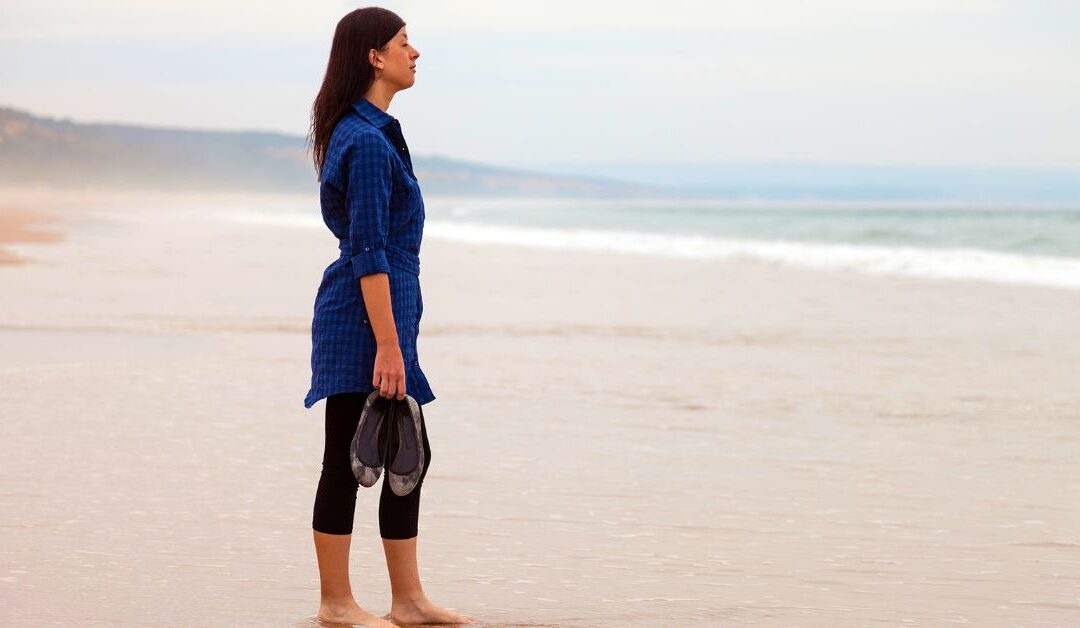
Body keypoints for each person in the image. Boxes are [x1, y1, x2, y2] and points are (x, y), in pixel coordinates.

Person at [304, 8, 475, 626]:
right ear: (375, 56)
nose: (416, 52)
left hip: (383, 319)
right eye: (405, 43)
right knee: (347, 458)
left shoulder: (372, 132)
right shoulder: (368, 142)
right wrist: (388, 345)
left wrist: (396, 338)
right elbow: (370, 253)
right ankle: (336, 603)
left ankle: (407, 600)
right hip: (364, 321)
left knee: (408, 454)